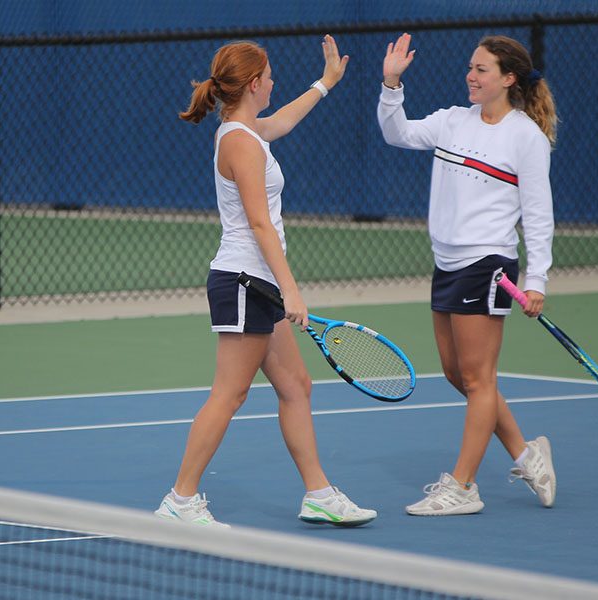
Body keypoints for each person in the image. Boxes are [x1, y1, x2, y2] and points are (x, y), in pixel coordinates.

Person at [155, 36, 376, 528]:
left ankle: (318, 493)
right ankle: (180, 500)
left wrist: (325, 83)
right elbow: (259, 223)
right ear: (254, 84)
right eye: (271, 75)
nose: (275, 82)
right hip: (242, 280)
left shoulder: (248, 131)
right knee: (229, 393)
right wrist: (291, 288)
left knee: (296, 386)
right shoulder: (239, 142)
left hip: (257, 283)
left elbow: (283, 121)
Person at [378, 33, 558, 516]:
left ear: (508, 78)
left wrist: (536, 279)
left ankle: (463, 486)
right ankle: (526, 453)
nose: (471, 76)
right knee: (458, 374)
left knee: (479, 379)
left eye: (481, 69)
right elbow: (397, 133)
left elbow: (538, 214)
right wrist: (391, 82)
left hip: (490, 264)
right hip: (447, 261)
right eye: (471, 68)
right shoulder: (452, 121)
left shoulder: (526, 137)